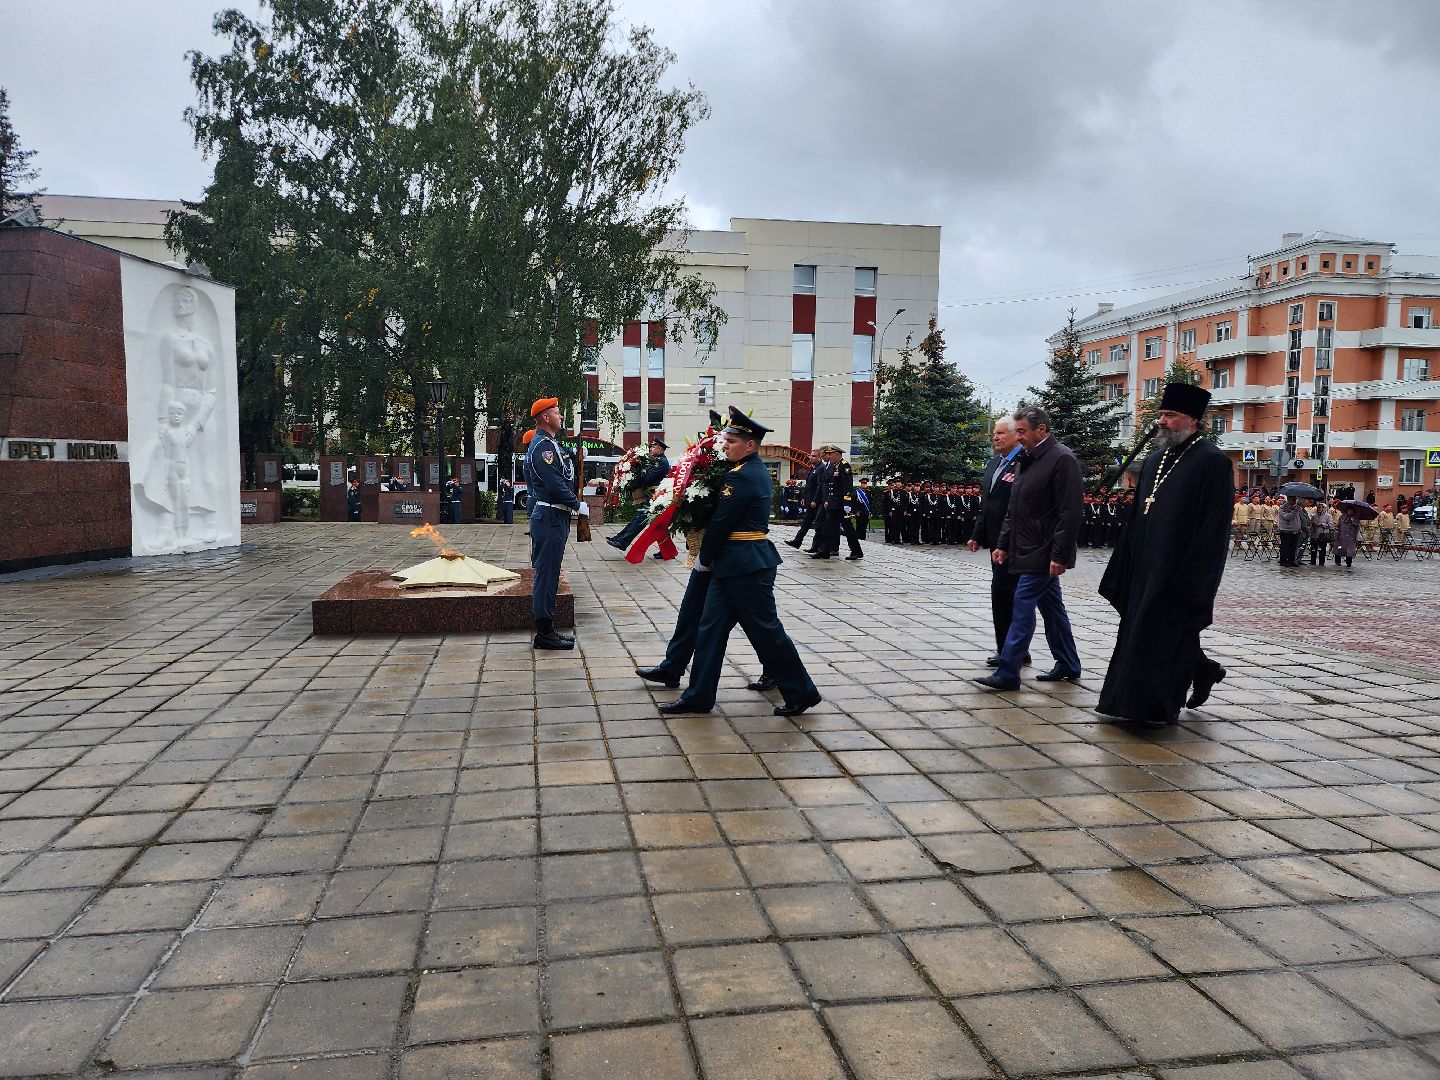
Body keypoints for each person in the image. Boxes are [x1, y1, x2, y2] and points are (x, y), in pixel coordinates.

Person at [661, 407, 820, 717]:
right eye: (727, 440)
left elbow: (722, 522)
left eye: (732, 441)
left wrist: (703, 557)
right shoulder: (743, 472)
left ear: (750, 445)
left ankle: (802, 692)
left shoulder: (745, 475)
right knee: (710, 630)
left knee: (767, 631)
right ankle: (699, 696)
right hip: (733, 564)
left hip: (746, 565)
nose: (726, 445)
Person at [1097, 383, 1233, 727]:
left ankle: (1151, 710)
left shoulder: (1212, 462)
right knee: (1143, 631)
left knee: (1160, 633)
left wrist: (1194, 577)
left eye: (1170, 416)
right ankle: (1201, 671)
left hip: (1178, 570)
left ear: (1194, 421)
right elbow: (1138, 515)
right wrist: (1124, 563)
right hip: (1144, 566)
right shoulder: (1155, 460)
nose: (1162, 421)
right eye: (1161, 414)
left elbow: (1214, 527)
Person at [974, 406, 1084, 691]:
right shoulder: (1027, 458)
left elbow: (1069, 513)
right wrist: (1002, 545)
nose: (1019, 437)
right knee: (1052, 609)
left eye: (1022, 431)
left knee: (1021, 606)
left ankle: (1009, 670)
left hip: (1044, 550)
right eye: (1017, 431)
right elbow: (1014, 508)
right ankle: (1068, 663)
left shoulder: (1062, 459)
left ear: (1042, 430)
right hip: (1024, 547)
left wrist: (1060, 555)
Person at [525, 398, 587, 650]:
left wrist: (576, 454)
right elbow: (554, 483)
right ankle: (544, 634)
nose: (561, 417)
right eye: (558, 413)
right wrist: (576, 504)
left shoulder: (549, 444)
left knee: (550, 575)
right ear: (545, 418)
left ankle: (548, 630)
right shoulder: (542, 447)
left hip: (554, 517)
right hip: (550, 516)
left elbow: (565, 463)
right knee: (546, 576)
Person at [968, 417, 1029, 669]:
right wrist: (977, 534)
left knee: (1007, 594)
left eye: (1002, 433)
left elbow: (1017, 506)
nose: (995, 437)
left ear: (1017, 435)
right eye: (994, 433)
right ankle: (1011, 649)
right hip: (996, 542)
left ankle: (1011, 651)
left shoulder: (1023, 462)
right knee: (1003, 594)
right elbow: (988, 505)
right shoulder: (994, 463)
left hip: (1016, 541)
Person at [609, 437, 670, 551]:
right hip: (653, 496)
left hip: (655, 497)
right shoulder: (658, 460)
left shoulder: (660, 462)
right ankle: (619, 538)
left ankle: (622, 541)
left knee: (639, 520)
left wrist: (638, 470)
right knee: (656, 525)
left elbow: (647, 478)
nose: (651, 449)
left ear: (660, 449)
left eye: (653, 447)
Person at [812, 445, 863, 560]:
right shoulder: (836, 466)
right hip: (834, 504)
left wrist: (847, 504)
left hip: (841, 505)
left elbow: (847, 487)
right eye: (828, 454)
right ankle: (824, 551)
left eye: (830, 454)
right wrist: (829, 501)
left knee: (848, 529)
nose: (828, 457)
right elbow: (832, 488)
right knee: (828, 528)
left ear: (837, 454)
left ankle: (856, 551)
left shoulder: (844, 466)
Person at [785, 451, 826, 551]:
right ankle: (797, 541)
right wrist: (804, 497)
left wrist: (815, 500)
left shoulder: (821, 468)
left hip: (816, 502)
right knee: (806, 522)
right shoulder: (813, 468)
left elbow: (819, 486)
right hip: (810, 500)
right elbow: (809, 486)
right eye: (810, 456)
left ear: (820, 458)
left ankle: (815, 547)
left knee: (818, 525)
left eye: (814, 456)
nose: (811, 458)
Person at [1276, 496, 1303, 567]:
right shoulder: (1283, 508)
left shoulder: (1295, 507)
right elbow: (1287, 517)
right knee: (1285, 547)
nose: (1294, 501)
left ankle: (1291, 560)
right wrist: (1295, 511)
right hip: (1286, 530)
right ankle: (1283, 561)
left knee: (1293, 547)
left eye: (1295, 499)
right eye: (1293, 499)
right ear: (1288, 499)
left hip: (1295, 530)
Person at [1310, 501, 1336, 565]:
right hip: (1314, 534)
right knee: (1313, 549)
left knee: (1322, 549)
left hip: (1323, 535)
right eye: (1317, 507)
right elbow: (1311, 524)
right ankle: (1313, 561)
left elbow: (1331, 525)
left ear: (1324, 508)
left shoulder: (1328, 516)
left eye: (1319, 507)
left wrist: (1321, 524)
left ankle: (1321, 562)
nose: (1318, 509)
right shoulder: (1314, 516)